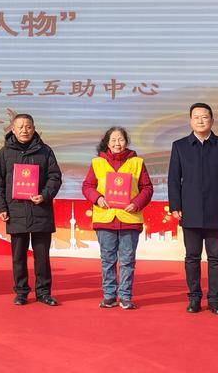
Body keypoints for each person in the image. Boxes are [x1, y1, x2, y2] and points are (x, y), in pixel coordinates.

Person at [168, 103, 218, 315]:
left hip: (217, 209)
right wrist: (175, 205)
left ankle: (215, 300)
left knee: (215, 258)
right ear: (190, 121)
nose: (200, 120)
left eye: (205, 117)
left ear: (212, 120)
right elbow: (174, 179)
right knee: (192, 257)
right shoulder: (180, 146)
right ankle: (194, 298)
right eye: (196, 117)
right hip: (189, 210)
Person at [0, 113, 62, 306]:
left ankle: (44, 292)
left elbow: (55, 177)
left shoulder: (45, 151)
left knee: (42, 257)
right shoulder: (4, 153)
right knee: (18, 257)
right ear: (13, 130)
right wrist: (1, 208)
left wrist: (44, 195)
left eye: (28, 126)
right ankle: (21, 292)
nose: (25, 130)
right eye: (20, 127)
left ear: (34, 128)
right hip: (15, 212)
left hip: (41, 210)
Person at [82, 127, 154, 310]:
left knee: (127, 260)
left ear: (126, 141)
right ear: (107, 143)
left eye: (120, 139)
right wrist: (98, 198)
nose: (117, 143)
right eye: (113, 140)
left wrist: (136, 203)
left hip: (129, 218)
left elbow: (147, 188)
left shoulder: (137, 162)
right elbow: (88, 186)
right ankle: (109, 296)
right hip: (105, 218)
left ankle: (125, 296)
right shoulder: (97, 162)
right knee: (108, 260)